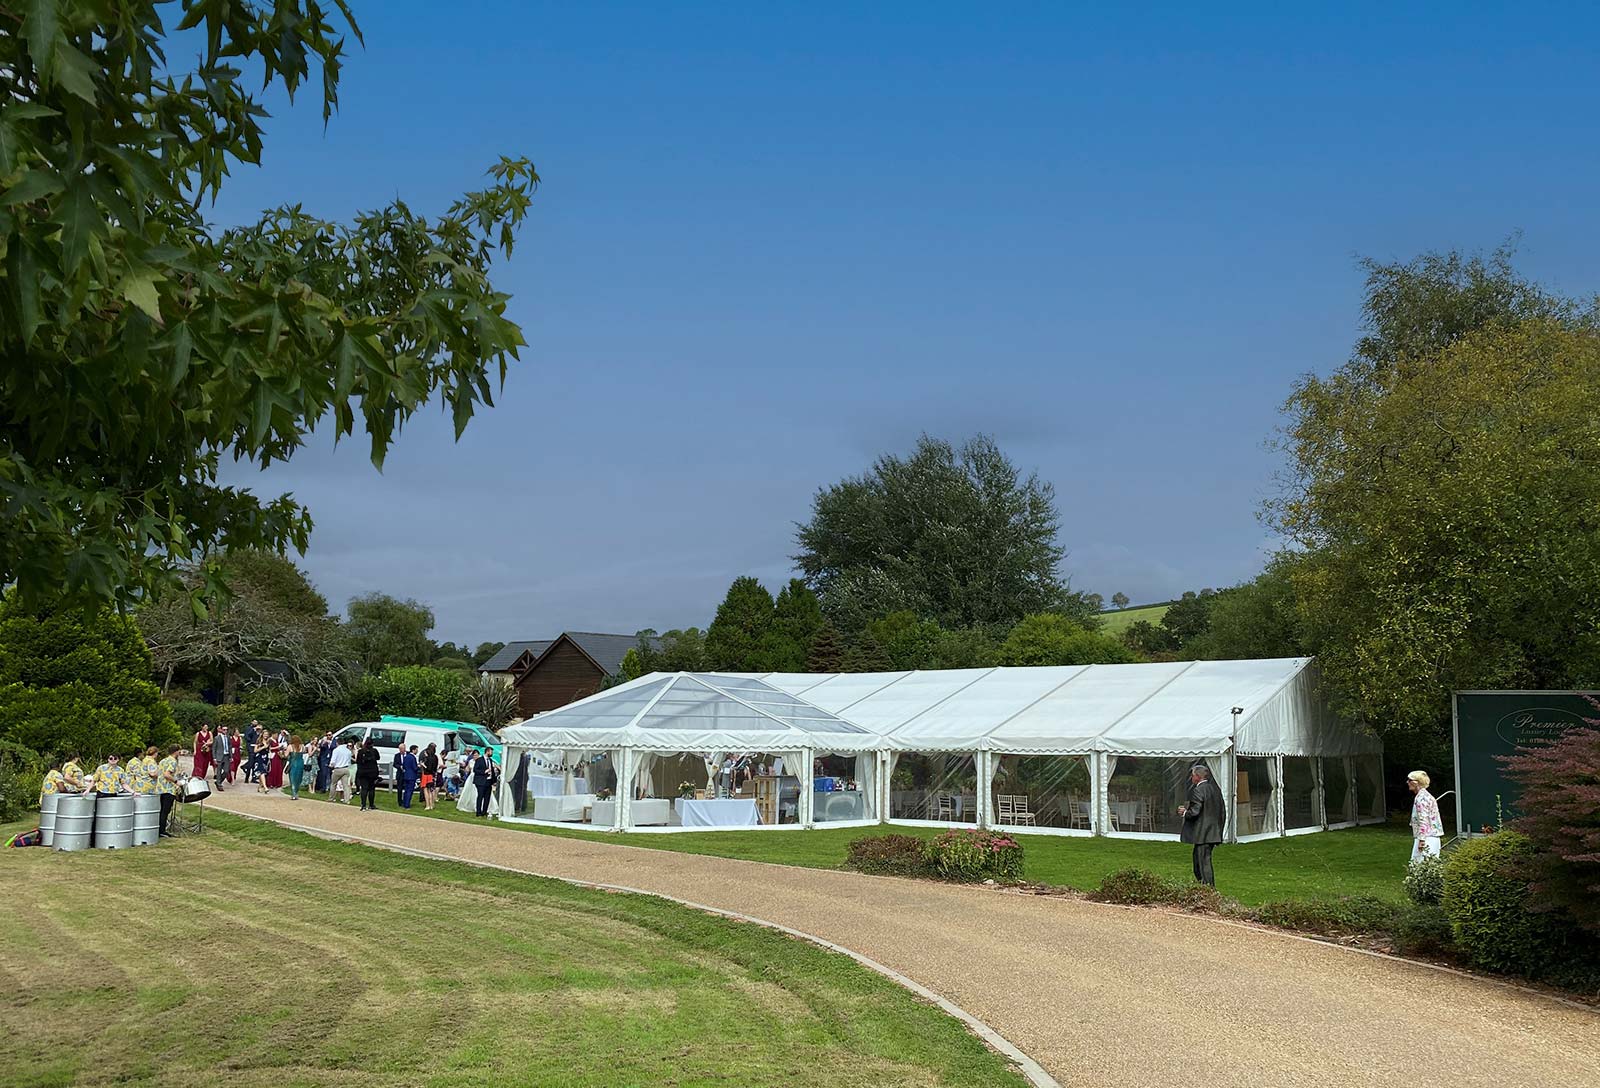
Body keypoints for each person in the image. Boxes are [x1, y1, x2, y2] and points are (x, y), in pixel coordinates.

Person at [1177, 762, 1225, 886]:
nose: (1192, 778)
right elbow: (1222, 811)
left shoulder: (1198, 790)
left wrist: (1185, 812)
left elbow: (1195, 812)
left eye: (1193, 776)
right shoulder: (1215, 789)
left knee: (1202, 864)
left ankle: (1208, 890)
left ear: (1198, 776)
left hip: (1203, 834)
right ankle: (1204, 888)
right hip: (1213, 831)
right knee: (1199, 862)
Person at [1408, 770, 1444, 863]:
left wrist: (1422, 840)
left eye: (1409, 780)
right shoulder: (1427, 796)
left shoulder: (1421, 798)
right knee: (1431, 865)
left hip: (1427, 838)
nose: (1407, 782)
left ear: (1416, 783)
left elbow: (1423, 819)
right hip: (1432, 836)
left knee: (1419, 866)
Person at [157, 746, 183, 836]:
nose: (180, 752)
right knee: (165, 811)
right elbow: (166, 774)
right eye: (179, 751)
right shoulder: (172, 761)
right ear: (175, 751)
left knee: (161, 811)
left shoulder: (163, 761)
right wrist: (176, 781)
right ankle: (162, 831)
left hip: (160, 788)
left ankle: (159, 829)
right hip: (168, 789)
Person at [354, 739, 381, 811]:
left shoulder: (360, 751)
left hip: (363, 772)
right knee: (371, 789)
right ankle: (371, 805)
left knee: (364, 788)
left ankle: (363, 805)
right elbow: (378, 758)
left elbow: (357, 761)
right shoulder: (374, 751)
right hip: (372, 772)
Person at [472, 749, 496, 818]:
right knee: (480, 796)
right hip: (481, 781)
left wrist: (493, 781)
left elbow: (492, 771)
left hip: (489, 781)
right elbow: (475, 770)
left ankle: (484, 811)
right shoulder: (479, 760)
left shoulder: (490, 760)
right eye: (491, 752)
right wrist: (484, 771)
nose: (492, 753)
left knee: (487, 797)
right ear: (487, 751)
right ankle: (478, 812)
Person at [210, 726, 232, 792]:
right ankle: (219, 784)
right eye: (224, 729)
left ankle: (218, 781)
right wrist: (214, 758)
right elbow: (214, 748)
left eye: (226, 730)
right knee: (219, 771)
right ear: (221, 730)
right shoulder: (217, 738)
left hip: (226, 756)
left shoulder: (228, 737)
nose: (225, 731)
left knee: (226, 771)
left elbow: (230, 747)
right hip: (219, 756)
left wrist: (231, 756)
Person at [399, 745, 420, 809]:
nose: (417, 751)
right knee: (410, 791)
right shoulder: (413, 758)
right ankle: (407, 805)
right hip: (412, 776)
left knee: (406, 790)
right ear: (413, 750)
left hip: (406, 775)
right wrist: (419, 766)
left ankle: (404, 803)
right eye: (416, 750)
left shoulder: (406, 757)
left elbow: (404, 766)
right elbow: (415, 768)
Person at [420, 743, 440, 811]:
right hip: (432, 775)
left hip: (426, 775)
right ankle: (432, 805)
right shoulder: (436, 757)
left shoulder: (427, 758)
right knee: (431, 790)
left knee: (426, 790)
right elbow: (435, 767)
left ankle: (428, 805)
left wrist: (423, 764)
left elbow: (428, 768)